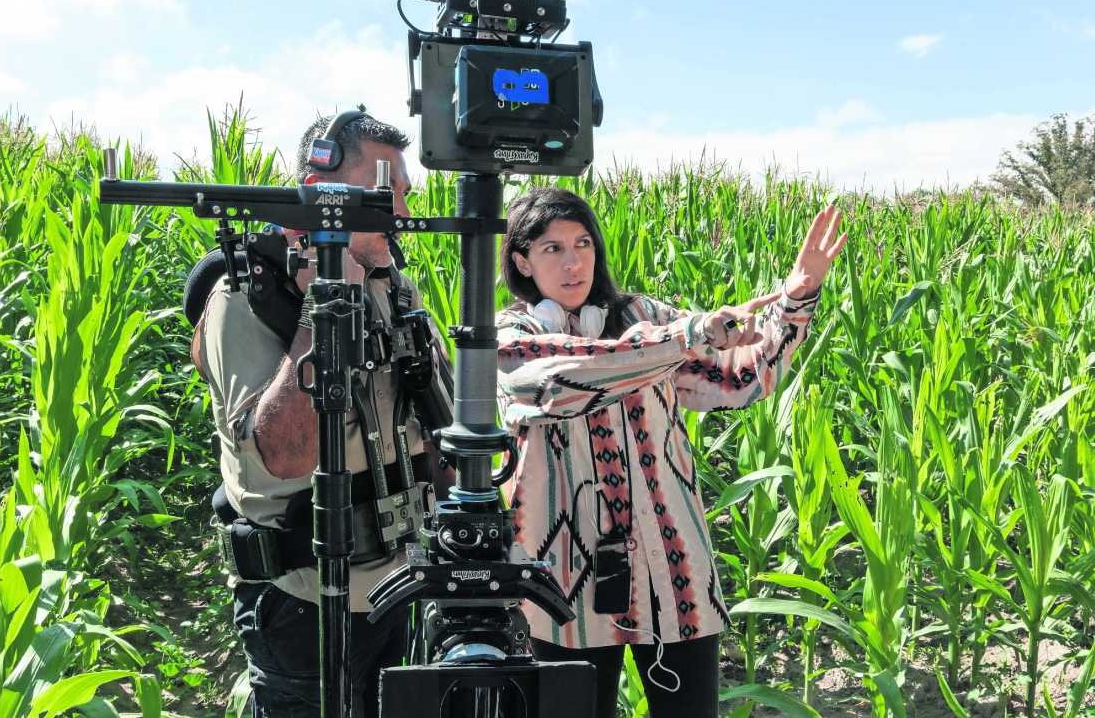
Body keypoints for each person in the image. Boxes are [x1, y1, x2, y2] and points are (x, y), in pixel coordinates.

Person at [494, 188, 845, 718]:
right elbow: (558, 380)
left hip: (672, 567)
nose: (574, 262)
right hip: (562, 582)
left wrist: (796, 300)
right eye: (552, 248)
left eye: (583, 243)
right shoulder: (511, 334)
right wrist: (685, 336)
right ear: (522, 260)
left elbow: (741, 376)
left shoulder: (642, 314)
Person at [192, 113, 452, 718]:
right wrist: (325, 306)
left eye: (405, 194)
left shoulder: (395, 291)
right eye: (385, 190)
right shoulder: (249, 294)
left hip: (399, 586)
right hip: (304, 601)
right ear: (323, 185)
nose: (403, 211)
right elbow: (281, 456)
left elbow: (429, 427)